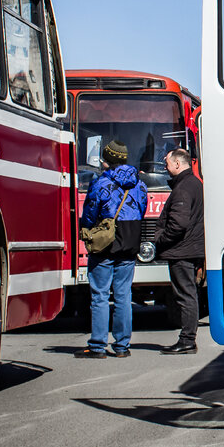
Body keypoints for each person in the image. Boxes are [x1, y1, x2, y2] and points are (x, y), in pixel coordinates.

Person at [76, 140, 147, 358]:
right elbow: (141, 209)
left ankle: (98, 346)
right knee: (124, 295)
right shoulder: (139, 184)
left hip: (105, 244)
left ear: (108, 161)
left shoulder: (101, 183)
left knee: (100, 295)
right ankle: (122, 346)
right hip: (129, 242)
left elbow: (90, 212)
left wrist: (86, 228)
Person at [154, 148, 205, 354]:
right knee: (188, 294)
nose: (165, 168)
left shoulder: (183, 188)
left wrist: (160, 239)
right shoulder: (193, 184)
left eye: (167, 163)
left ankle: (187, 340)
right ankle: (187, 339)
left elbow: (178, 224)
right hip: (188, 248)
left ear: (177, 164)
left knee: (185, 296)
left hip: (181, 250)